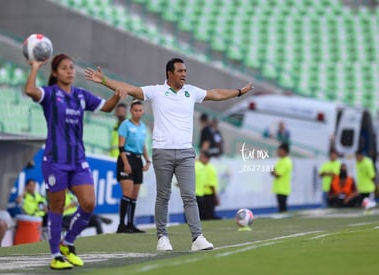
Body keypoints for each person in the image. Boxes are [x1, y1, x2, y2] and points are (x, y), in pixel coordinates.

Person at [85, 57, 254, 251]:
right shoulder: (156, 91)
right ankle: (162, 238)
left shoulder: (191, 92)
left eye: (185, 71)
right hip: (162, 152)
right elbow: (129, 88)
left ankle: (197, 237)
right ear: (170, 73)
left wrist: (239, 92)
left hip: (185, 152)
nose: (184, 74)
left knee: (189, 196)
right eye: (180, 71)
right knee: (163, 196)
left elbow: (215, 94)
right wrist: (105, 81)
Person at [24, 53, 125, 270]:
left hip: (78, 160)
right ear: (55, 73)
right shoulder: (50, 94)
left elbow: (107, 107)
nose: (69, 71)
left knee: (89, 204)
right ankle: (55, 255)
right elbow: (30, 90)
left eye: (71, 67)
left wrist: (116, 94)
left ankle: (67, 242)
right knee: (57, 207)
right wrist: (34, 67)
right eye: (64, 68)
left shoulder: (81, 95)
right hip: (55, 161)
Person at [116, 100, 151, 234]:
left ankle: (130, 224)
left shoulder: (143, 127)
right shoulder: (125, 125)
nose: (138, 112)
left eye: (140, 110)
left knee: (134, 195)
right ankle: (121, 225)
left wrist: (147, 160)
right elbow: (121, 146)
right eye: (135, 110)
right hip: (127, 158)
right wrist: (126, 163)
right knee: (127, 193)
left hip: (137, 159)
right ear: (131, 111)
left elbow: (143, 146)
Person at [195, 151, 220, 220]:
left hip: (207, 195)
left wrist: (215, 197)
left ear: (206, 158)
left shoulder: (208, 168)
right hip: (202, 194)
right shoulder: (203, 166)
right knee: (204, 216)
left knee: (206, 216)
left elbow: (212, 185)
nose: (199, 158)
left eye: (201, 157)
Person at [270, 143, 293, 212]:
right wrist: (273, 171)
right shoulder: (281, 161)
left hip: (283, 189)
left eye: (280, 151)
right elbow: (274, 172)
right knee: (281, 207)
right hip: (280, 188)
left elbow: (278, 174)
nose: (279, 152)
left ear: (285, 152)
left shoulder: (286, 161)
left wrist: (273, 171)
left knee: (282, 208)